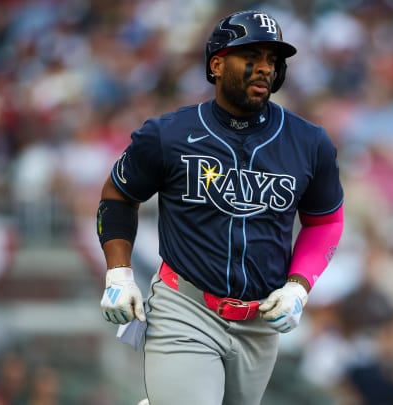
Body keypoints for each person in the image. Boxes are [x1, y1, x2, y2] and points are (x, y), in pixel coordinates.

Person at [96, 10, 344, 405]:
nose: (265, 68)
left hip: (259, 324)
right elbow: (119, 195)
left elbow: (325, 221)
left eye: (273, 60)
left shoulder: (309, 142)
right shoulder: (168, 134)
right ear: (217, 63)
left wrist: (299, 285)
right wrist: (119, 274)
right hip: (186, 307)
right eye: (252, 56)